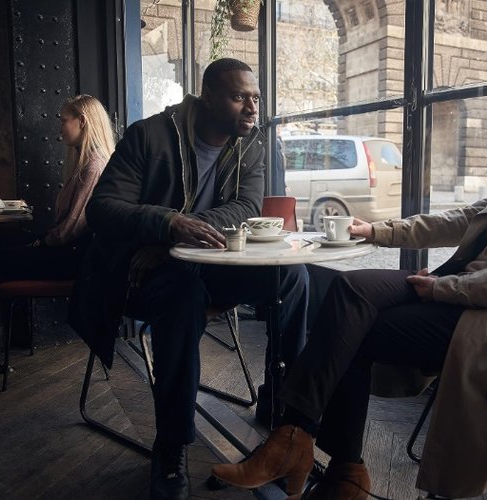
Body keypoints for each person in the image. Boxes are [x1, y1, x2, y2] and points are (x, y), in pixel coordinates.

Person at [211, 52, 487, 499]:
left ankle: (338, 468)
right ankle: (301, 444)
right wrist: (377, 231)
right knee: (348, 289)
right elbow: (468, 217)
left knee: (350, 333)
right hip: (461, 289)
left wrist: (448, 289)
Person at [68, 58, 308, 500]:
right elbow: (103, 208)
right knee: (182, 294)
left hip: (205, 263)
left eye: (255, 98)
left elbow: (247, 208)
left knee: (292, 276)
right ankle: (173, 443)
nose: (251, 108)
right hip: (140, 275)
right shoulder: (149, 135)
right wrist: (169, 225)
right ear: (208, 97)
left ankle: (282, 405)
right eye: (239, 97)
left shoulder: (251, 145)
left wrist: (181, 233)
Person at [0, 95, 114, 372]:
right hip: (65, 252)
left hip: (72, 260)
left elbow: (71, 229)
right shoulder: (87, 162)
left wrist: (41, 242)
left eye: (64, 121)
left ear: (82, 122)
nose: (60, 128)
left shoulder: (94, 165)